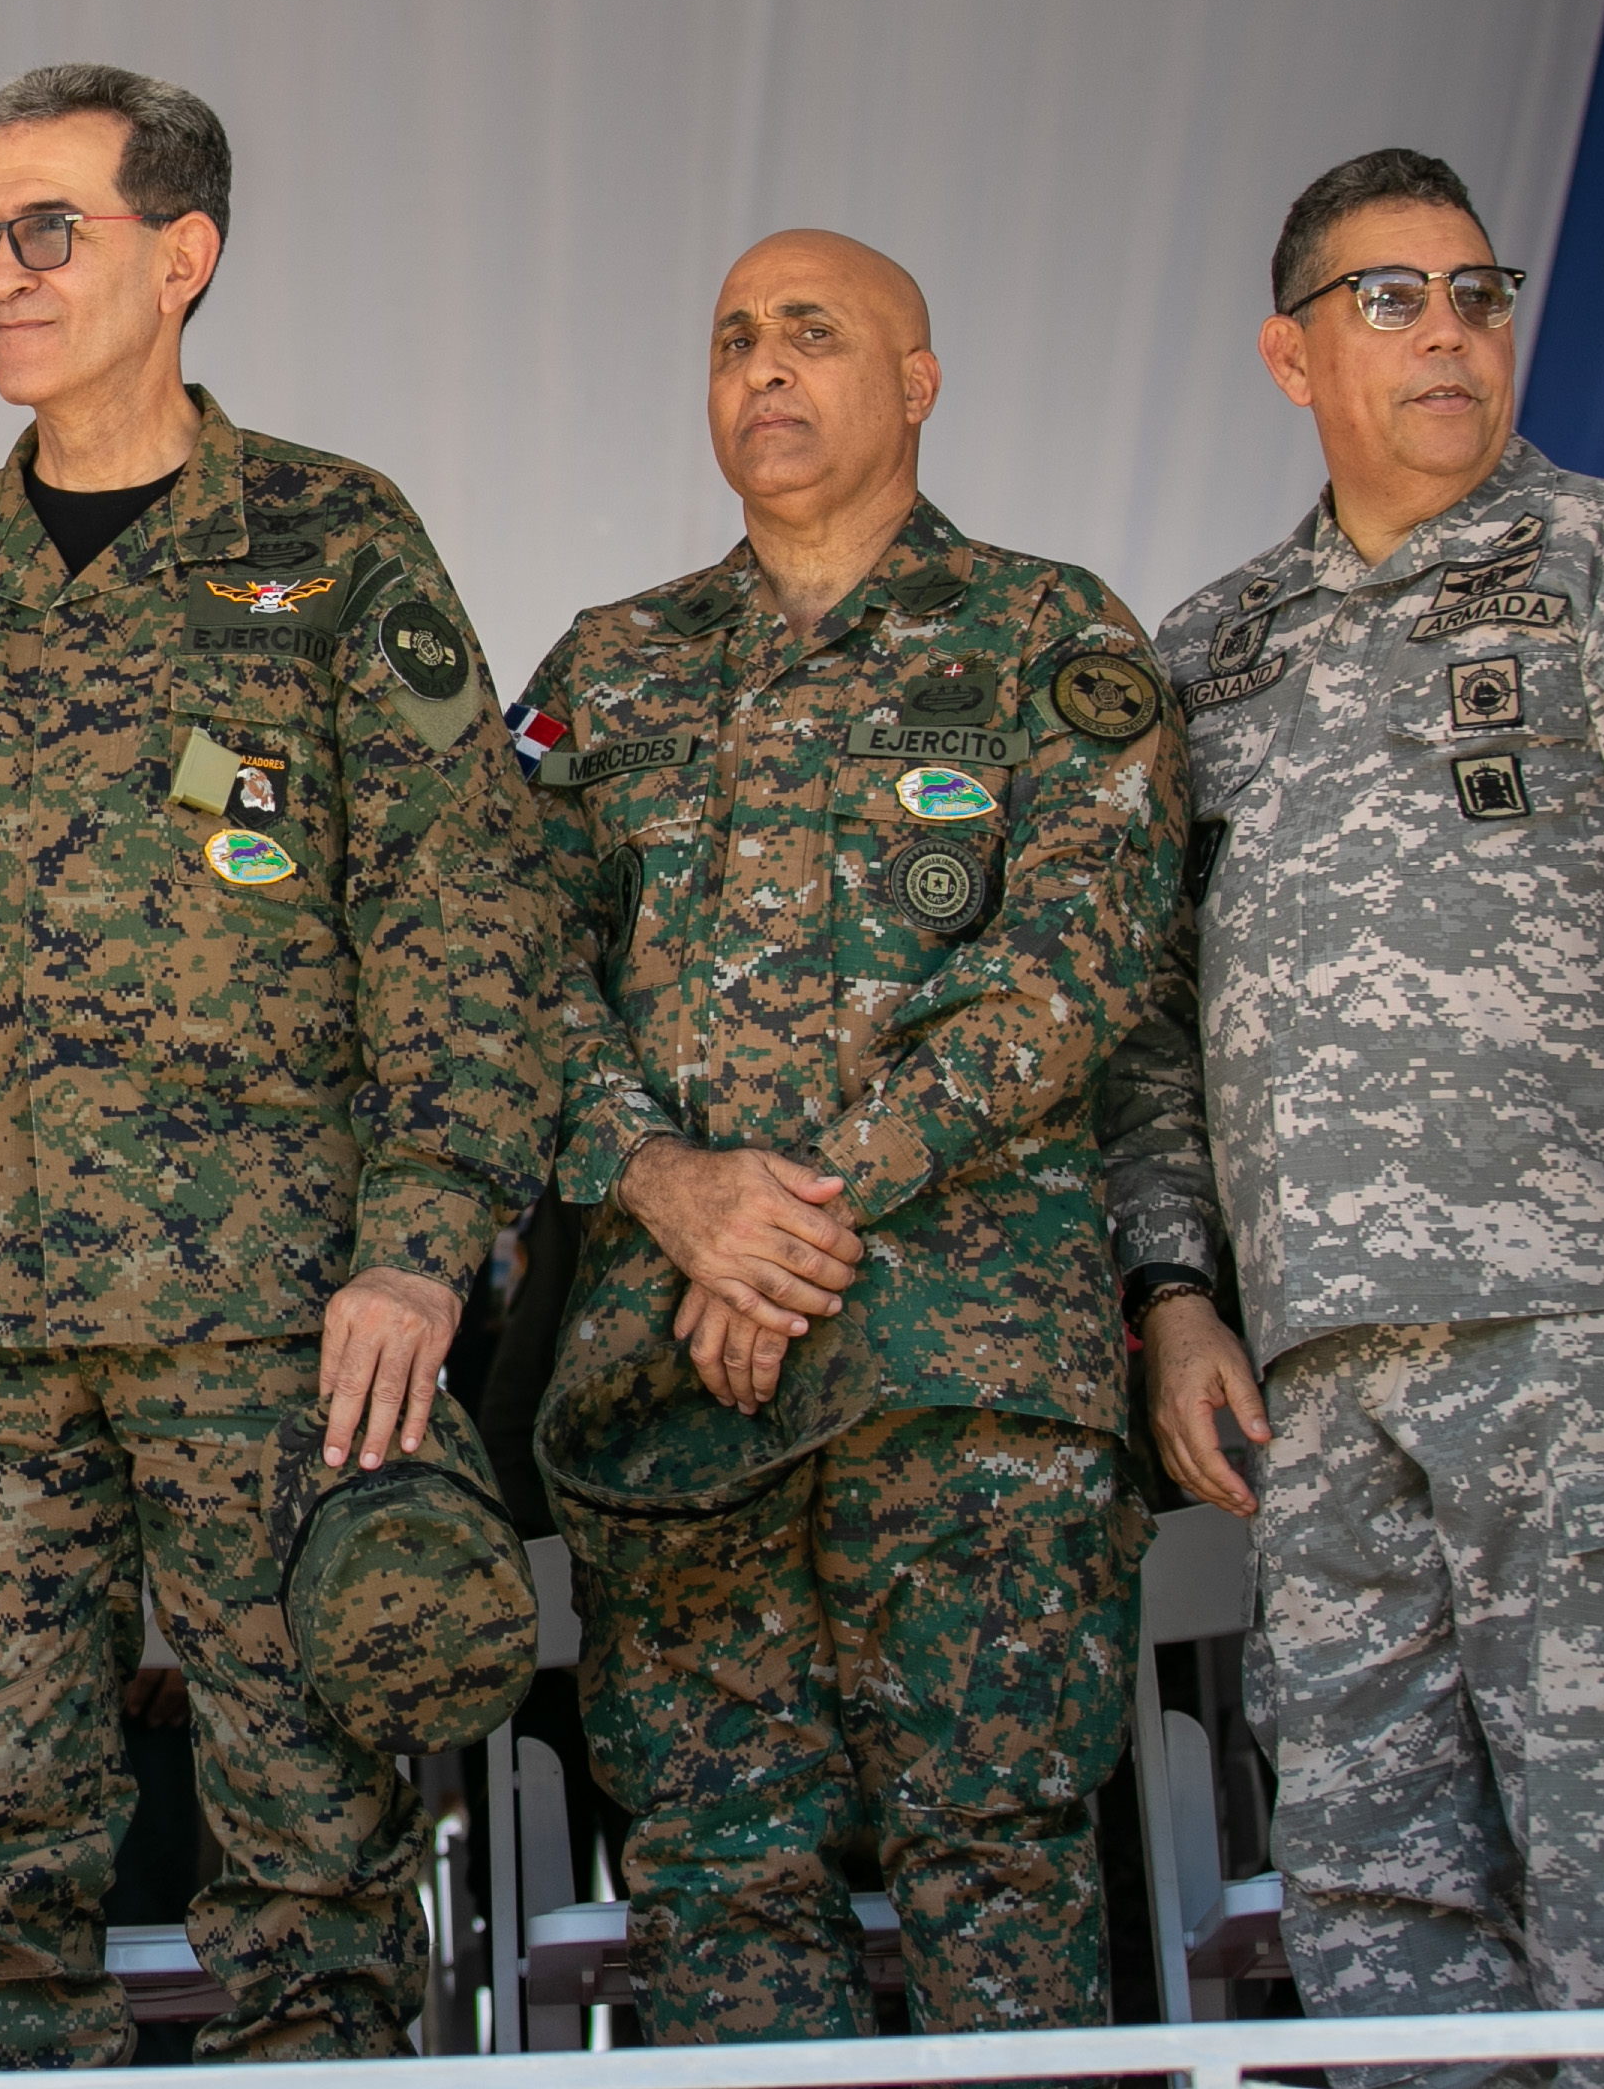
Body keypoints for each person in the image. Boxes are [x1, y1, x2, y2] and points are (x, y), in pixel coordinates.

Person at [0, 63, 557, 2068]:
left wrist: (422, 1250)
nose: (1, 274)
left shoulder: (334, 547)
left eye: (50, 231)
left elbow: (462, 922)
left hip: (273, 1326)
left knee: (314, 1874)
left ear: (183, 258)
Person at [509, 232, 1184, 2047]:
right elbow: (500, 974)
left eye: (813, 333)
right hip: (679, 1397)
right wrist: (671, 1190)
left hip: (957, 1377)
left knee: (999, 1866)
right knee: (717, 1886)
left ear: (918, 379)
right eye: (735, 338)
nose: (766, 368)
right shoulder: (610, 665)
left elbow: (1077, 968)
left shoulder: (1052, 635)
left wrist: (785, 1224)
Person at [1104, 148, 1604, 2057]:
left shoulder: (1594, 567)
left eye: (1477, 294)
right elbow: (1150, 1027)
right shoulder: (1209, 655)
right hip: (1313, 1384)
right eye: (1390, 300)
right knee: (1376, 1898)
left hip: (1576, 1336)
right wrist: (1178, 1300)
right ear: (1290, 355)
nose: (1449, 333)